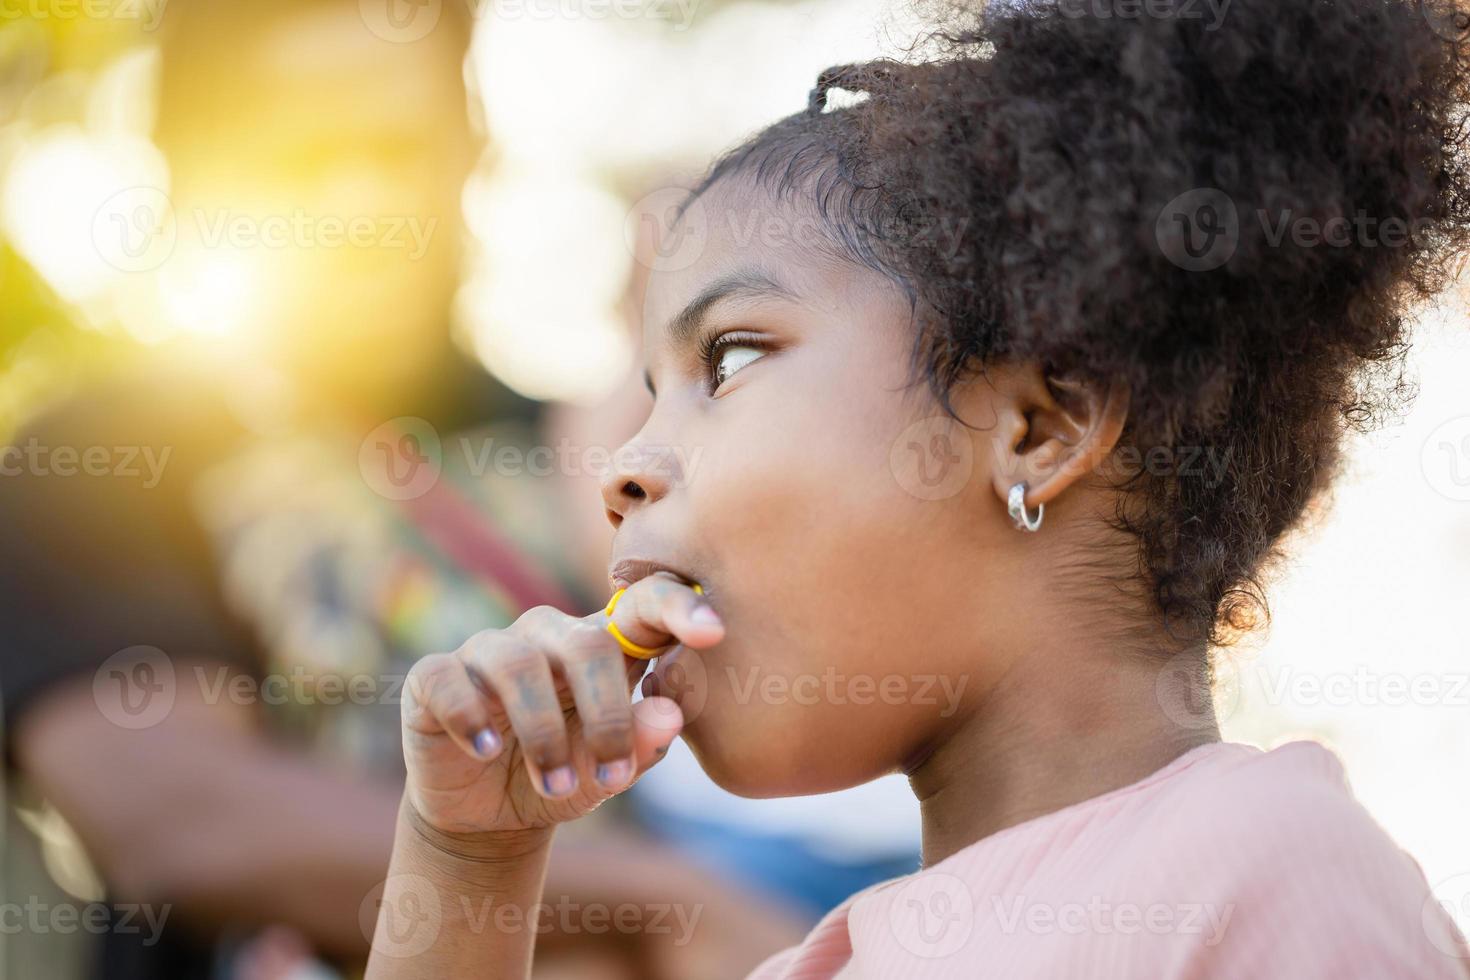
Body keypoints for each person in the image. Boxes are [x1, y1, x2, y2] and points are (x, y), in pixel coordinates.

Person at [365, 0, 1470, 977]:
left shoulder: (1265, 872)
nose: (621, 469)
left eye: (732, 357)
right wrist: (471, 859)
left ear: (1041, 427)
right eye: (648, 391)